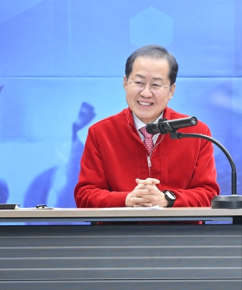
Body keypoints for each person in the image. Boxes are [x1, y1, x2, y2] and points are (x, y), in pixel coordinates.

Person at [74, 45, 220, 208]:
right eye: (138, 82)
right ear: (125, 83)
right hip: (120, 232)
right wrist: (127, 200)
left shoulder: (196, 132)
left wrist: (168, 199)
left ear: (171, 90)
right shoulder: (101, 133)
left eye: (156, 85)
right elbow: (85, 196)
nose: (146, 93)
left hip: (180, 232)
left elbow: (209, 194)